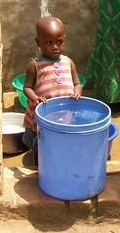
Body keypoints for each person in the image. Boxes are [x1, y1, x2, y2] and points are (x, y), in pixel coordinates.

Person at [22, 16, 82, 158]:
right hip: (43, 116)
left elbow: (77, 83)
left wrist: (77, 93)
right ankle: (40, 168)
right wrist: (34, 97)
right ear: (38, 42)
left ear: (64, 39)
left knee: (62, 140)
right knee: (41, 144)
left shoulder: (68, 62)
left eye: (59, 42)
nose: (55, 47)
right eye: (49, 43)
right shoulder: (35, 65)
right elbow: (27, 87)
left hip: (64, 113)